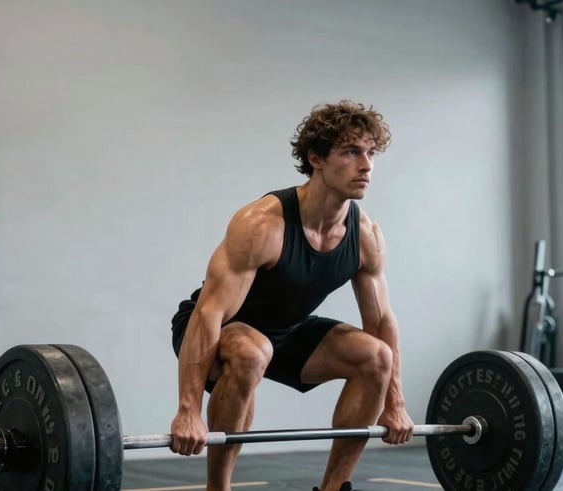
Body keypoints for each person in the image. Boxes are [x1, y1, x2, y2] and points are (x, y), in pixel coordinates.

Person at [170, 100, 414, 491]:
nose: (366, 165)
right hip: (221, 331)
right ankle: (218, 488)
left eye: (370, 153)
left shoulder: (366, 235)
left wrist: (395, 403)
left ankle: (334, 488)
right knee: (253, 352)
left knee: (376, 357)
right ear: (316, 158)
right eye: (351, 152)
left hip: (288, 332)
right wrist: (188, 410)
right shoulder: (263, 224)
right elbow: (208, 315)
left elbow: (381, 321)